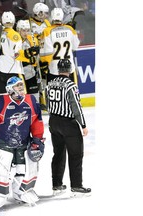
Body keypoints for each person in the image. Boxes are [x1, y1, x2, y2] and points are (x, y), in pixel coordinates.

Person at [0, 76, 45, 209]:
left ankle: (22, 192)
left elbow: (37, 122)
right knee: (1, 169)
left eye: (21, 85)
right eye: (17, 85)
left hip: (23, 142)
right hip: (3, 143)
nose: (21, 88)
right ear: (9, 89)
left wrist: (37, 138)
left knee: (26, 168)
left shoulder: (31, 100)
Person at [46, 59, 91, 196]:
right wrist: (83, 124)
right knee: (76, 154)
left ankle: (57, 184)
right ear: (70, 70)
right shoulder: (70, 85)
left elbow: (48, 103)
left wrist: (53, 119)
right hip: (68, 124)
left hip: (54, 121)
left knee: (58, 153)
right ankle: (76, 186)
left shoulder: (50, 84)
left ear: (58, 70)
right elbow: (75, 106)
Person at [0, 11, 40, 95]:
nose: (26, 32)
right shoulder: (14, 35)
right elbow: (16, 54)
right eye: (23, 30)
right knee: (21, 96)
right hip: (12, 70)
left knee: (4, 97)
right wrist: (29, 53)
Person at [39, 7, 80, 84]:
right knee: (71, 93)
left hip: (54, 69)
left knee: (55, 94)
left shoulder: (47, 31)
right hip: (69, 69)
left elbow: (46, 52)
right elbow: (75, 46)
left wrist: (43, 64)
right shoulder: (70, 29)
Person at [29, 2, 51, 111]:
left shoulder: (47, 23)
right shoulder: (29, 23)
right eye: (45, 13)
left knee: (43, 79)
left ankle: (44, 101)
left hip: (44, 55)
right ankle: (36, 102)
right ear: (39, 13)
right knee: (35, 79)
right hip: (33, 56)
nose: (47, 15)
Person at [16, 20, 40, 103]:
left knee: (34, 92)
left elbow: (35, 57)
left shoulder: (31, 40)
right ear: (18, 30)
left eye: (27, 30)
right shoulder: (15, 41)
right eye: (23, 30)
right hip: (19, 72)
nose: (26, 33)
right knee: (21, 94)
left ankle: (36, 108)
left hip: (30, 72)